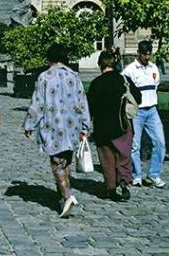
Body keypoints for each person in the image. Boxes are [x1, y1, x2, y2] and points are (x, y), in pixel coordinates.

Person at [23, 43, 91, 218]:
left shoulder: (44, 77)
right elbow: (83, 102)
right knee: (65, 161)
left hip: (53, 127)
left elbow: (37, 103)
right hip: (72, 126)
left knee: (57, 163)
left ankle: (67, 196)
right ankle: (63, 197)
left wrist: (30, 124)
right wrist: (86, 126)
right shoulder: (74, 76)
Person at [87, 51, 141, 201]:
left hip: (102, 128)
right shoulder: (124, 80)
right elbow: (138, 98)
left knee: (107, 159)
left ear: (100, 65)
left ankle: (110, 187)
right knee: (124, 156)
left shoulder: (96, 83)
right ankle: (124, 181)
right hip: (121, 124)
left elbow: (90, 108)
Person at [123, 40, 167, 188]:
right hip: (138, 111)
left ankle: (154, 174)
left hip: (152, 110)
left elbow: (156, 85)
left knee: (160, 142)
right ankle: (136, 175)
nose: (147, 57)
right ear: (139, 53)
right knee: (135, 145)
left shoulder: (154, 68)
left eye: (149, 54)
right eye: (144, 54)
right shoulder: (130, 70)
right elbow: (125, 89)